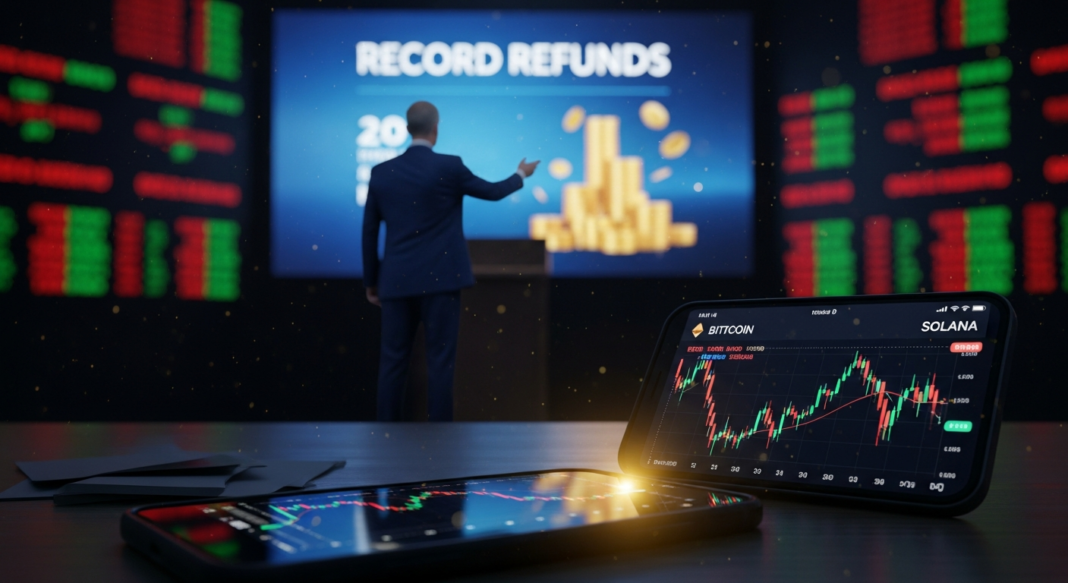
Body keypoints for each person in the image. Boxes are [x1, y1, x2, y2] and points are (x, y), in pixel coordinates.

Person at [362, 101, 540, 421]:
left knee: (392, 364)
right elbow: (494, 192)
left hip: (396, 282)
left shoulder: (381, 173)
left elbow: (369, 232)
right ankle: (440, 441)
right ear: (436, 129)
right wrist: (520, 174)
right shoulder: (449, 167)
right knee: (440, 362)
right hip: (441, 281)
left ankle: (384, 436)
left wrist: (371, 282)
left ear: (406, 129)